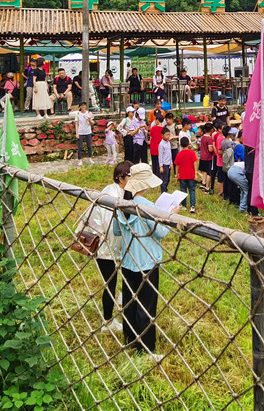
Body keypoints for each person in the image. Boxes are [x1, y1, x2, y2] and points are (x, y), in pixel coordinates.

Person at [111, 161, 178, 359]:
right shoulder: (148, 207)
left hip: (128, 260)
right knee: (146, 306)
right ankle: (146, 350)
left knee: (130, 302)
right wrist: (171, 216)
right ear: (146, 185)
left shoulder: (122, 204)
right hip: (147, 262)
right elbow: (161, 232)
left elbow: (116, 230)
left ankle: (129, 338)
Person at [84, 161, 131, 334]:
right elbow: (106, 222)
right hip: (105, 247)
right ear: (121, 177)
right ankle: (108, 321)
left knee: (122, 278)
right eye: (130, 176)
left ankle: (120, 300)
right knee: (109, 283)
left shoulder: (125, 192)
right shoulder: (111, 193)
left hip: (116, 245)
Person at [175, 137, 198, 214]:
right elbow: (195, 163)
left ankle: (184, 205)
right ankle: (192, 206)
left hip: (182, 176)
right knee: (192, 190)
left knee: (183, 190)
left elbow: (177, 165)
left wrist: (177, 175)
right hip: (191, 175)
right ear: (188, 144)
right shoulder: (192, 153)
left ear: (180, 145)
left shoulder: (179, 154)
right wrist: (196, 173)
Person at [198, 123, 216, 193]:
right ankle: (207, 187)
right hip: (208, 157)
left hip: (202, 156)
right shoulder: (209, 138)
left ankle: (203, 182)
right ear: (211, 130)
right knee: (209, 172)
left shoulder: (202, 137)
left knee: (204, 171)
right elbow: (210, 149)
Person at [74, 102, 94, 166]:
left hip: (88, 131)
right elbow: (76, 124)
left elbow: (92, 123)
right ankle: (80, 160)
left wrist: (89, 120)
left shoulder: (89, 113)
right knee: (80, 147)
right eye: (82, 106)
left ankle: (90, 158)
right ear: (79, 107)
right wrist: (77, 133)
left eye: (84, 106)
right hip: (80, 131)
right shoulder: (77, 114)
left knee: (89, 146)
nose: (83, 107)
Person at [157, 126, 173, 194]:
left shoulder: (168, 142)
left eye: (169, 134)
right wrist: (161, 166)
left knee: (168, 179)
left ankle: (165, 190)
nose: (168, 136)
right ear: (162, 135)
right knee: (164, 179)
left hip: (168, 163)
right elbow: (160, 155)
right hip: (164, 164)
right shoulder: (161, 144)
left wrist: (171, 163)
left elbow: (169, 153)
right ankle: (163, 192)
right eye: (166, 135)